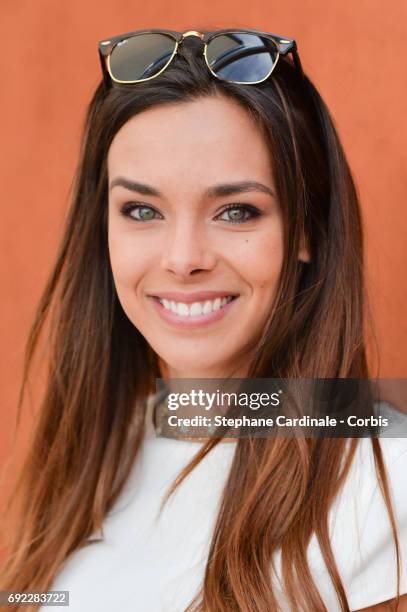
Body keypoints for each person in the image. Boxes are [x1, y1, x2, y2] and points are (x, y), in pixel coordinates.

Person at [1, 27, 406, 612]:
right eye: (142, 210)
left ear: (307, 231)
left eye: (236, 210)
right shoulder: (100, 453)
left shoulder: (384, 488)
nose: (183, 258)